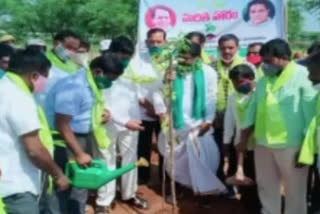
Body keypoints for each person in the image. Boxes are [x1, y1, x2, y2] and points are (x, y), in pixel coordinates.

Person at [239, 39, 317, 214]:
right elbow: (253, 108)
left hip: (292, 144)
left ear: (283, 57)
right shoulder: (264, 79)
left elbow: (310, 115)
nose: (264, 65)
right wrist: (243, 138)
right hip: (263, 143)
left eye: (268, 60)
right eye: (263, 61)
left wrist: (305, 148)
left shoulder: (303, 75)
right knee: (266, 187)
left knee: (295, 191)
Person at [43, 52, 125, 214]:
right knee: (64, 185)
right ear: (98, 71)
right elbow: (62, 124)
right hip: (67, 142)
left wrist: (103, 114)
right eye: (110, 79)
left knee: (80, 185)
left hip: (81, 138)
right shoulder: (74, 87)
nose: (110, 84)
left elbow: (85, 109)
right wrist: (79, 153)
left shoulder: (91, 83)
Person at [154, 41, 225, 203]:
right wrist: (162, 111)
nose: (184, 62)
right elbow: (157, 93)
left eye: (188, 59)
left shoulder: (207, 72)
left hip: (198, 123)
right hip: (175, 123)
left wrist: (208, 120)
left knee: (205, 158)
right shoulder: (169, 70)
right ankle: (178, 189)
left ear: (197, 57)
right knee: (176, 160)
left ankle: (205, 191)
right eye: (181, 58)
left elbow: (211, 97)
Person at [0, 49, 69, 214]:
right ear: (34, 76)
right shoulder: (19, 98)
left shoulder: (4, 87)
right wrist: (58, 174)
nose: (44, 83)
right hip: (16, 185)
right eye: (45, 77)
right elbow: (34, 149)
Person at [96, 36, 149, 213]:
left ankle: (129, 193)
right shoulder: (101, 67)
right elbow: (102, 101)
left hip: (132, 120)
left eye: (129, 56)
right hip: (107, 121)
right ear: (112, 52)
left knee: (130, 159)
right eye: (123, 56)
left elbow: (139, 92)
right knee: (106, 159)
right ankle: (104, 201)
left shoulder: (135, 67)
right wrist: (123, 121)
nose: (126, 60)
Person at [224, 64, 261, 214]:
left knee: (258, 179)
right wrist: (226, 143)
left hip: (258, 145)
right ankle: (249, 207)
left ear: (251, 78)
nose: (236, 86)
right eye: (233, 83)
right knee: (244, 180)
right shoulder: (233, 97)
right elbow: (229, 121)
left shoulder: (260, 94)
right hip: (240, 145)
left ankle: (261, 207)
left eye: (239, 82)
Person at [133, 28, 168, 185]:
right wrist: (147, 105)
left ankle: (165, 177)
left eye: (158, 42)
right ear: (146, 42)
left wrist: (161, 110)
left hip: (165, 113)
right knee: (143, 146)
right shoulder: (138, 59)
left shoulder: (171, 60)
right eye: (152, 41)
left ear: (165, 42)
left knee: (165, 146)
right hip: (143, 111)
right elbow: (134, 84)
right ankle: (142, 175)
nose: (155, 44)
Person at [213, 34, 247, 189]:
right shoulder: (212, 67)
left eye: (230, 48)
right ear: (218, 49)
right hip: (216, 118)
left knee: (237, 151)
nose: (227, 51)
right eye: (223, 48)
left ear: (238, 48)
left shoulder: (247, 67)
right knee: (217, 152)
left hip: (240, 117)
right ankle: (219, 183)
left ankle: (235, 185)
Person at [37, 30, 81, 106]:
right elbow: (39, 92)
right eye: (69, 47)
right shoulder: (41, 62)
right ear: (56, 44)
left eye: (75, 49)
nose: (71, 52)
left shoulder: (73, 66)